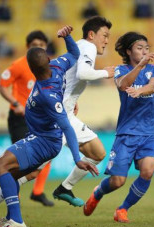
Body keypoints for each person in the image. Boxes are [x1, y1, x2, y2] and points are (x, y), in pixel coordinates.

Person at [0, 26, 99, 227]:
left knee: (0, 166)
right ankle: (8, 217)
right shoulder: (56, 65)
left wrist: (77, 157)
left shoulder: (49, 95)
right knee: (8, 170)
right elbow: (74, 54)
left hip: (44, 140)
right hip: (39, 136)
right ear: (48, 59)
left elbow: (66, 126)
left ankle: (17, 222)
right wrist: (67, 37)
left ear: (30, 69)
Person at [83, 31, 154, 223]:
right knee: (118, 181)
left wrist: (140, 90)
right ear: (128, 51)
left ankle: (122, 209)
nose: (144, 51)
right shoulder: (120, 70)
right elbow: (122, 85)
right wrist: (140, 66)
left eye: (146, 48)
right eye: (139, 48)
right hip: (126, 134)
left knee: (148, 170)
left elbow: (153, 87)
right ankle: (98, 192)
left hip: (149, 133)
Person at [52, 16, 114, 206]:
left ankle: (65, 188)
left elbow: (68, 76)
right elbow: (83, 73)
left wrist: (71, 99)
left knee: (97, 152)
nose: (106, 40)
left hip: (66, 112)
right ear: (91, 34)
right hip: (58, 116)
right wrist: (106, 73)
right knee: (32, 169)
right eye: (104, 35)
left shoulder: (79, 46)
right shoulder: (88, 47)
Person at [0, 30, 54, 207]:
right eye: (35, 45)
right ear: (28, 47)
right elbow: (2, 86)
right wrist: (15, 104)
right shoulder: (18, 65)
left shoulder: (49, 66)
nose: (39, 48)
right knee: (20, 159)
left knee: (47, 155)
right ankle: (14, 200)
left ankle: (37, 192)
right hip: (20, 117)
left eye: (42, 45)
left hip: (40, 117)